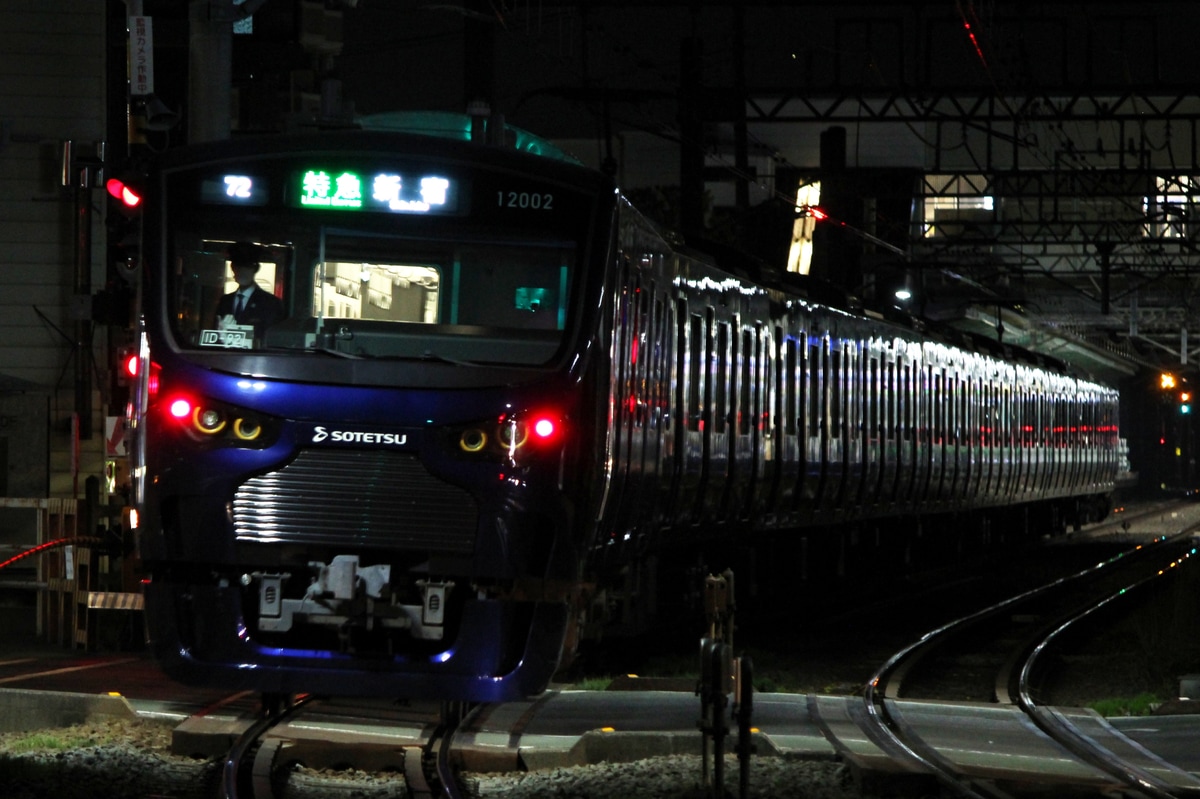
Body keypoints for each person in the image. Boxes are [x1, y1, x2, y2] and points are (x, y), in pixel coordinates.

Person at [214, 242, 285, 338]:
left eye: (247, 266)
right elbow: (214, 334)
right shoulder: (225, 301)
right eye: (237, 266)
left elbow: (272, 338)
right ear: (232, 268)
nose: (241, 271)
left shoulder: (270, 303)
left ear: (255, 269)